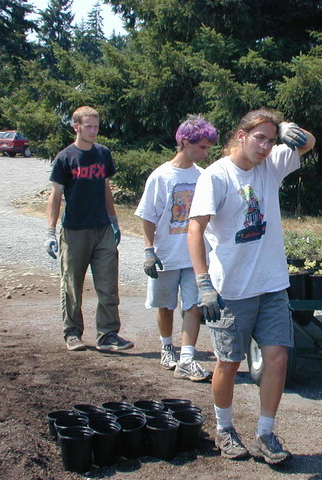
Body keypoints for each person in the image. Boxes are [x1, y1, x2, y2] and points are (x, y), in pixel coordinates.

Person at [187, 108, 315, 464]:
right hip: (231, 289)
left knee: (277, 358)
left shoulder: (270, 167)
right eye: (260, 138)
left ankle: (265, 433)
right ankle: (225, 429)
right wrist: (203, 282)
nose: (266, 146)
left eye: (272, 141)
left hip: (271, 284)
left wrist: (288, 128)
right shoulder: (216, 176)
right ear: (240, 135)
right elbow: (195, 229)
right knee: (228, 362)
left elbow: (309, 142)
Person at [134, 115, 217, 382]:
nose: (206, 152)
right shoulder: (161, 177)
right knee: (166, 305)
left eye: (208, 147)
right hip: (167, 255)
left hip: (195, 257)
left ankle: (188, 358)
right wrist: (149, 250)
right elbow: (148, 216)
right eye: (202, 147)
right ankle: (166, 346)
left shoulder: (204, 177)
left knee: (192, 306)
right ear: (184, 142)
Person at [45, 105, 134, 352]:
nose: (93, 131)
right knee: (72, 285)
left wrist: (114, 220)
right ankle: (72, 333)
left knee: (108, 286)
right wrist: (50, 232)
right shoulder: (65, 158)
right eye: (88, 126)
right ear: (76, 127)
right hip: (74, 230)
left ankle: (108, 335)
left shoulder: (103, 154)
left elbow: (106, 187)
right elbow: (55, 196)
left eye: (96, 126)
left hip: (102, 228)